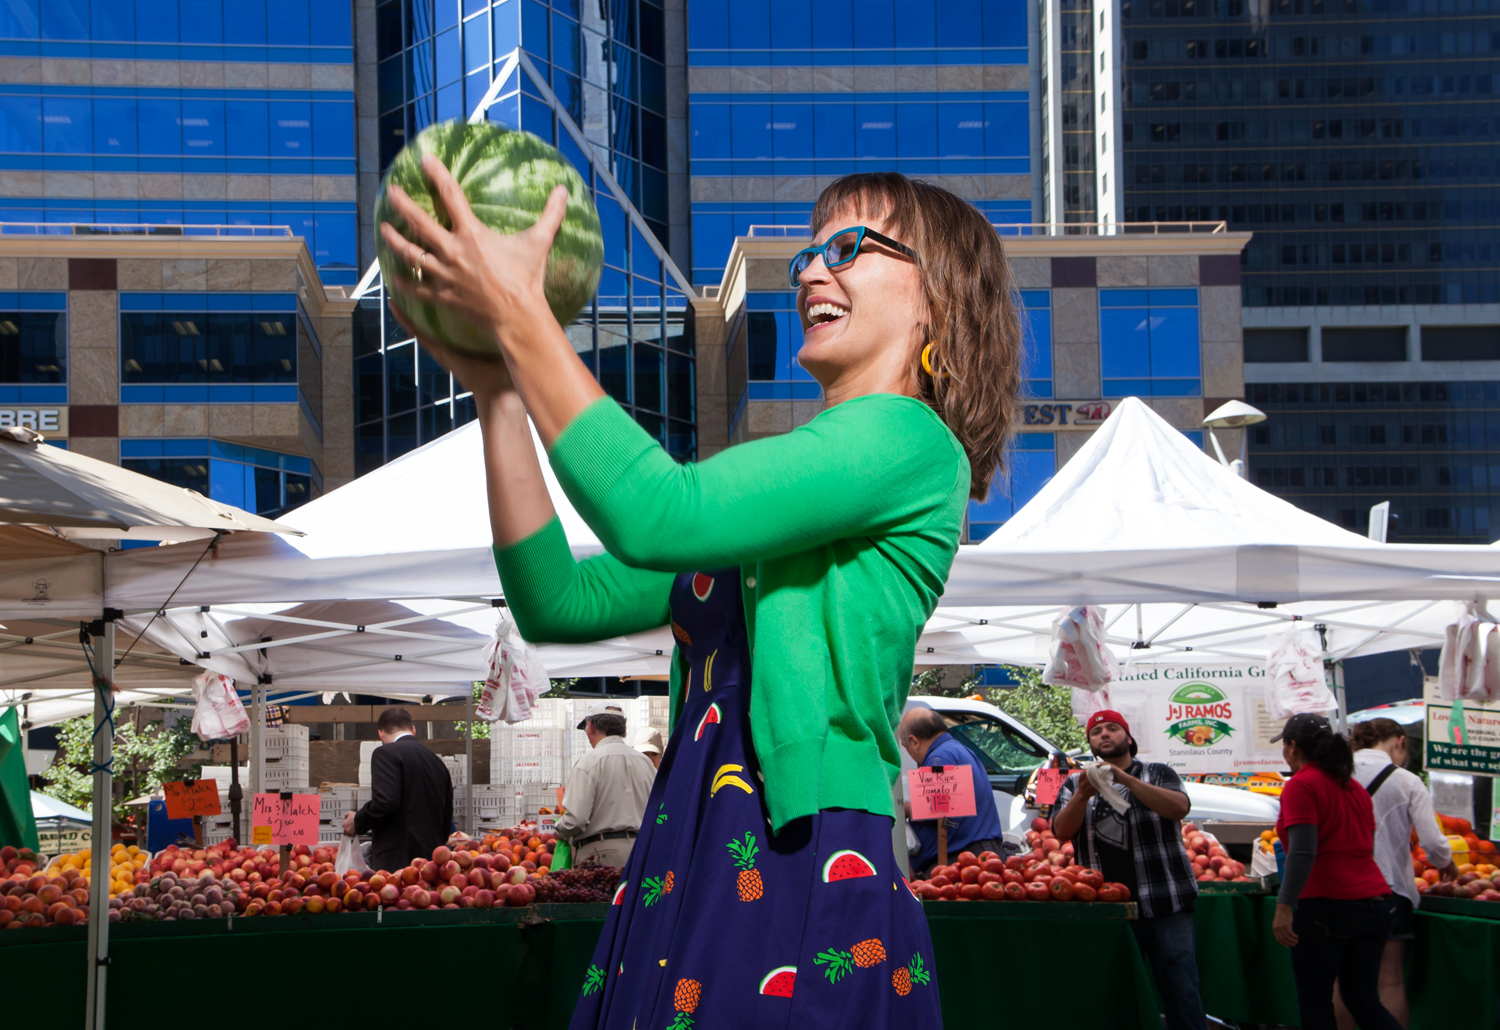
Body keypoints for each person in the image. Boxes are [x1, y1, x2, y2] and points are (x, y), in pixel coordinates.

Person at [379, 166, 1021, 1028]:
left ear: (937, 299)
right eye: (807, 254)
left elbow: (657, 514)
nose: (809, 272)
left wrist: (521, 314)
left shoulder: (910, 439)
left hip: (807, 839)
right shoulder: (788, 499)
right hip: (699, 833)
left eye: (847, 248)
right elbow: (555, 601)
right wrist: (498, 389)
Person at [1053, 710, 1205, 1030]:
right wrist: (1083, 793)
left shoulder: (1157, 772)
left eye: (1112, 729)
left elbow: (1179, 808)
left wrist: (1125, 779)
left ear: (1128, 738)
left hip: (1165, 902)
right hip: (1107, 909)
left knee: (1182, 994)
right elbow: (1062, 832)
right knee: (1115, 995)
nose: (1104, 735)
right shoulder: (1073, 784)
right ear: (1090, 743)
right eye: (1096, 732)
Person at [1271, 713, 1403, 1030]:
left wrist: (1284, 906)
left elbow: (1303, 850)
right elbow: (1366, 845)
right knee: (1363, 1001)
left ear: (1291, 746)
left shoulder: (1301, 785)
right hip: (1374, 902)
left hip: (1326, 906)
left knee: (1315, 1005)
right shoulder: (1351, 787)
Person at [1334, 718, 1456, 1029]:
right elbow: (1432, 842)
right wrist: (1447, 865)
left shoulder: (1333, 775)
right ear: (1399, 741)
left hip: (1337, 890)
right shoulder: (1406, 781)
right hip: (1388, 890)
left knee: (1341, 980)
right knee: (1389, 981)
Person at [342, 707, 453, 874]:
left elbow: (386, 802)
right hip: (431, 862)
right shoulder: (436, 762)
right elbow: (446, 815)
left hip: (398, 862)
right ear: (413, 729)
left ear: (381, 733)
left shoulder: (385, 753)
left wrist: (358, 820)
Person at [898, 706, 1006, 876]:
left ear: (914, 741)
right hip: (972, 857)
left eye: (906, 746)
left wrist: (904, 808)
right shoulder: (957, 749)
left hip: (961, 862)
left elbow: (937, 811)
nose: (909, 752)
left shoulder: (939, 758)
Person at [557, 702, 658, 868]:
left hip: (601, 855)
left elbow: (576, 819)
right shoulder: (646, 763)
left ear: (590, 727)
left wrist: (559, 830)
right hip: (643, 851)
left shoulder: (589, 762)